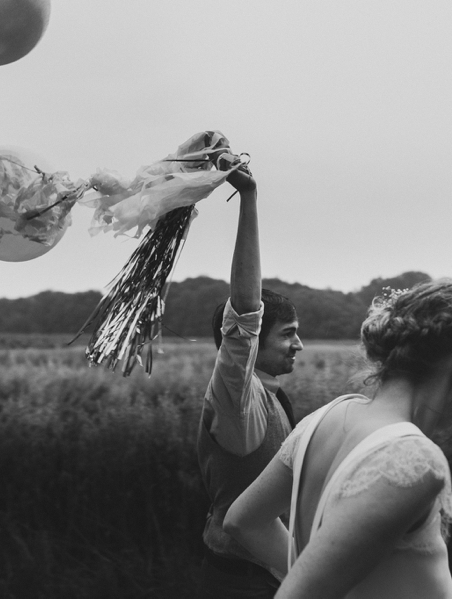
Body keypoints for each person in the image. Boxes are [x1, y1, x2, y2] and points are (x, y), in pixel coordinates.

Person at [224, 280, 452, 598]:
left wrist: (324, 573)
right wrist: (313, 580)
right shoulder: (413, 458)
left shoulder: (323, 419)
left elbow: (243, 522)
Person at [196, 159, 304, 598]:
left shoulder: (273, 398)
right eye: (289, 335)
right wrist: (249, 198)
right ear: (254, 341)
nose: (299, 346)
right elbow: (244, 311)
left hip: (271, 576)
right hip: (240, 583)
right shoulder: (237, 398)